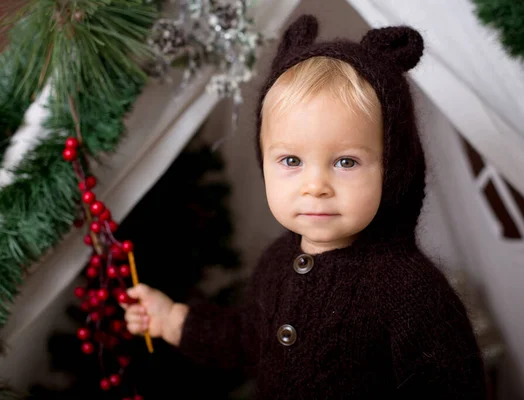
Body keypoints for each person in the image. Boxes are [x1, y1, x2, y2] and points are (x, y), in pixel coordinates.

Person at [122, 14, 487, 398]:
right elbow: (248, 339)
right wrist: (173, 319)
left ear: (394, 168)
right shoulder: (277, 262)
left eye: (346, 162)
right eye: (291, 161)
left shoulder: (410, 291)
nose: (315, 187)